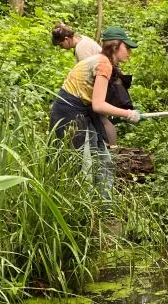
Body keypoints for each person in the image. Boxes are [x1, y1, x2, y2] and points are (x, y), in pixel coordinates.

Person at [50, 26, 140, 197]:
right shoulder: (103, 64)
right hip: (68, 110)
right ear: (115, 47)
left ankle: (104, 204)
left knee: (102, 156)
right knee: (79, 164)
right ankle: (80, 207)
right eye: (126, 47)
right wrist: (128, 114)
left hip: (81, 107)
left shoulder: (104, 61)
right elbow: (98, 105)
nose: (129, 52)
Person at [51, 22, 122, 145]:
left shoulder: (81, 48)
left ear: (67, 39)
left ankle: (112, 148)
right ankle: (108, 147)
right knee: (100, 119)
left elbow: (88, 76)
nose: (62, 48)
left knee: (101, 119)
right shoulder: (83, 39)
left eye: (61, 44)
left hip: (101, 83)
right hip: (104, 80)